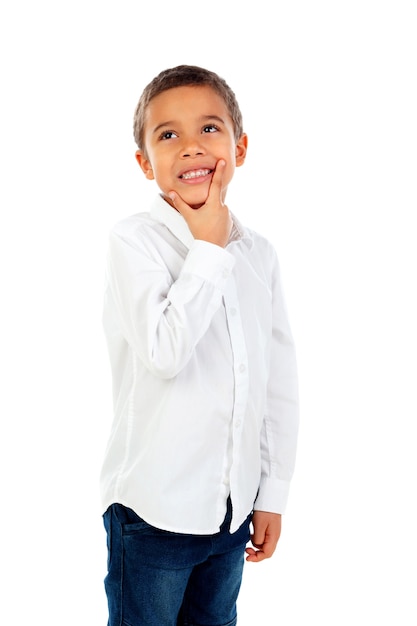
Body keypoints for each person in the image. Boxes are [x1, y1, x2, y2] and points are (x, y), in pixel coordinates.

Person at [100, 65, 299, 626]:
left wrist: (272, 492)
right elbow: (165, 352)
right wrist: (207, 251)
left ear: (239, 145)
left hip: (230, 517)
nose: (191, 147)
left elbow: (276, 382)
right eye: (168, 135)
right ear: (145, 162)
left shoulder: (259, 255)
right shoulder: (133, 241)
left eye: (209, 129)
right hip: (153, 516)